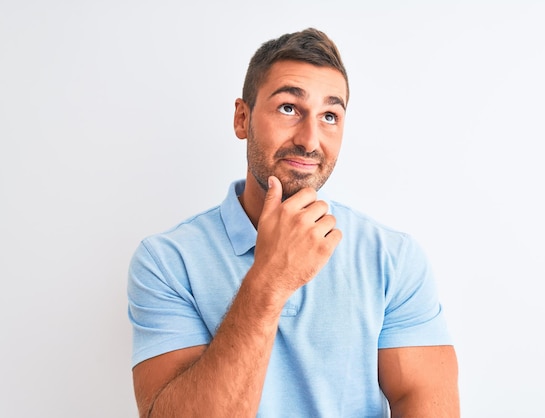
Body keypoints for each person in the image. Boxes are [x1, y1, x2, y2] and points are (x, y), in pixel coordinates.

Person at [128, 27, 459, 417]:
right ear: (242, 118)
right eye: (289, 108)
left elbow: (424, 403)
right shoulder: (167, 261)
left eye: (330, 115)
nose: (310, 140)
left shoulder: (392, 258)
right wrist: (271, 278)